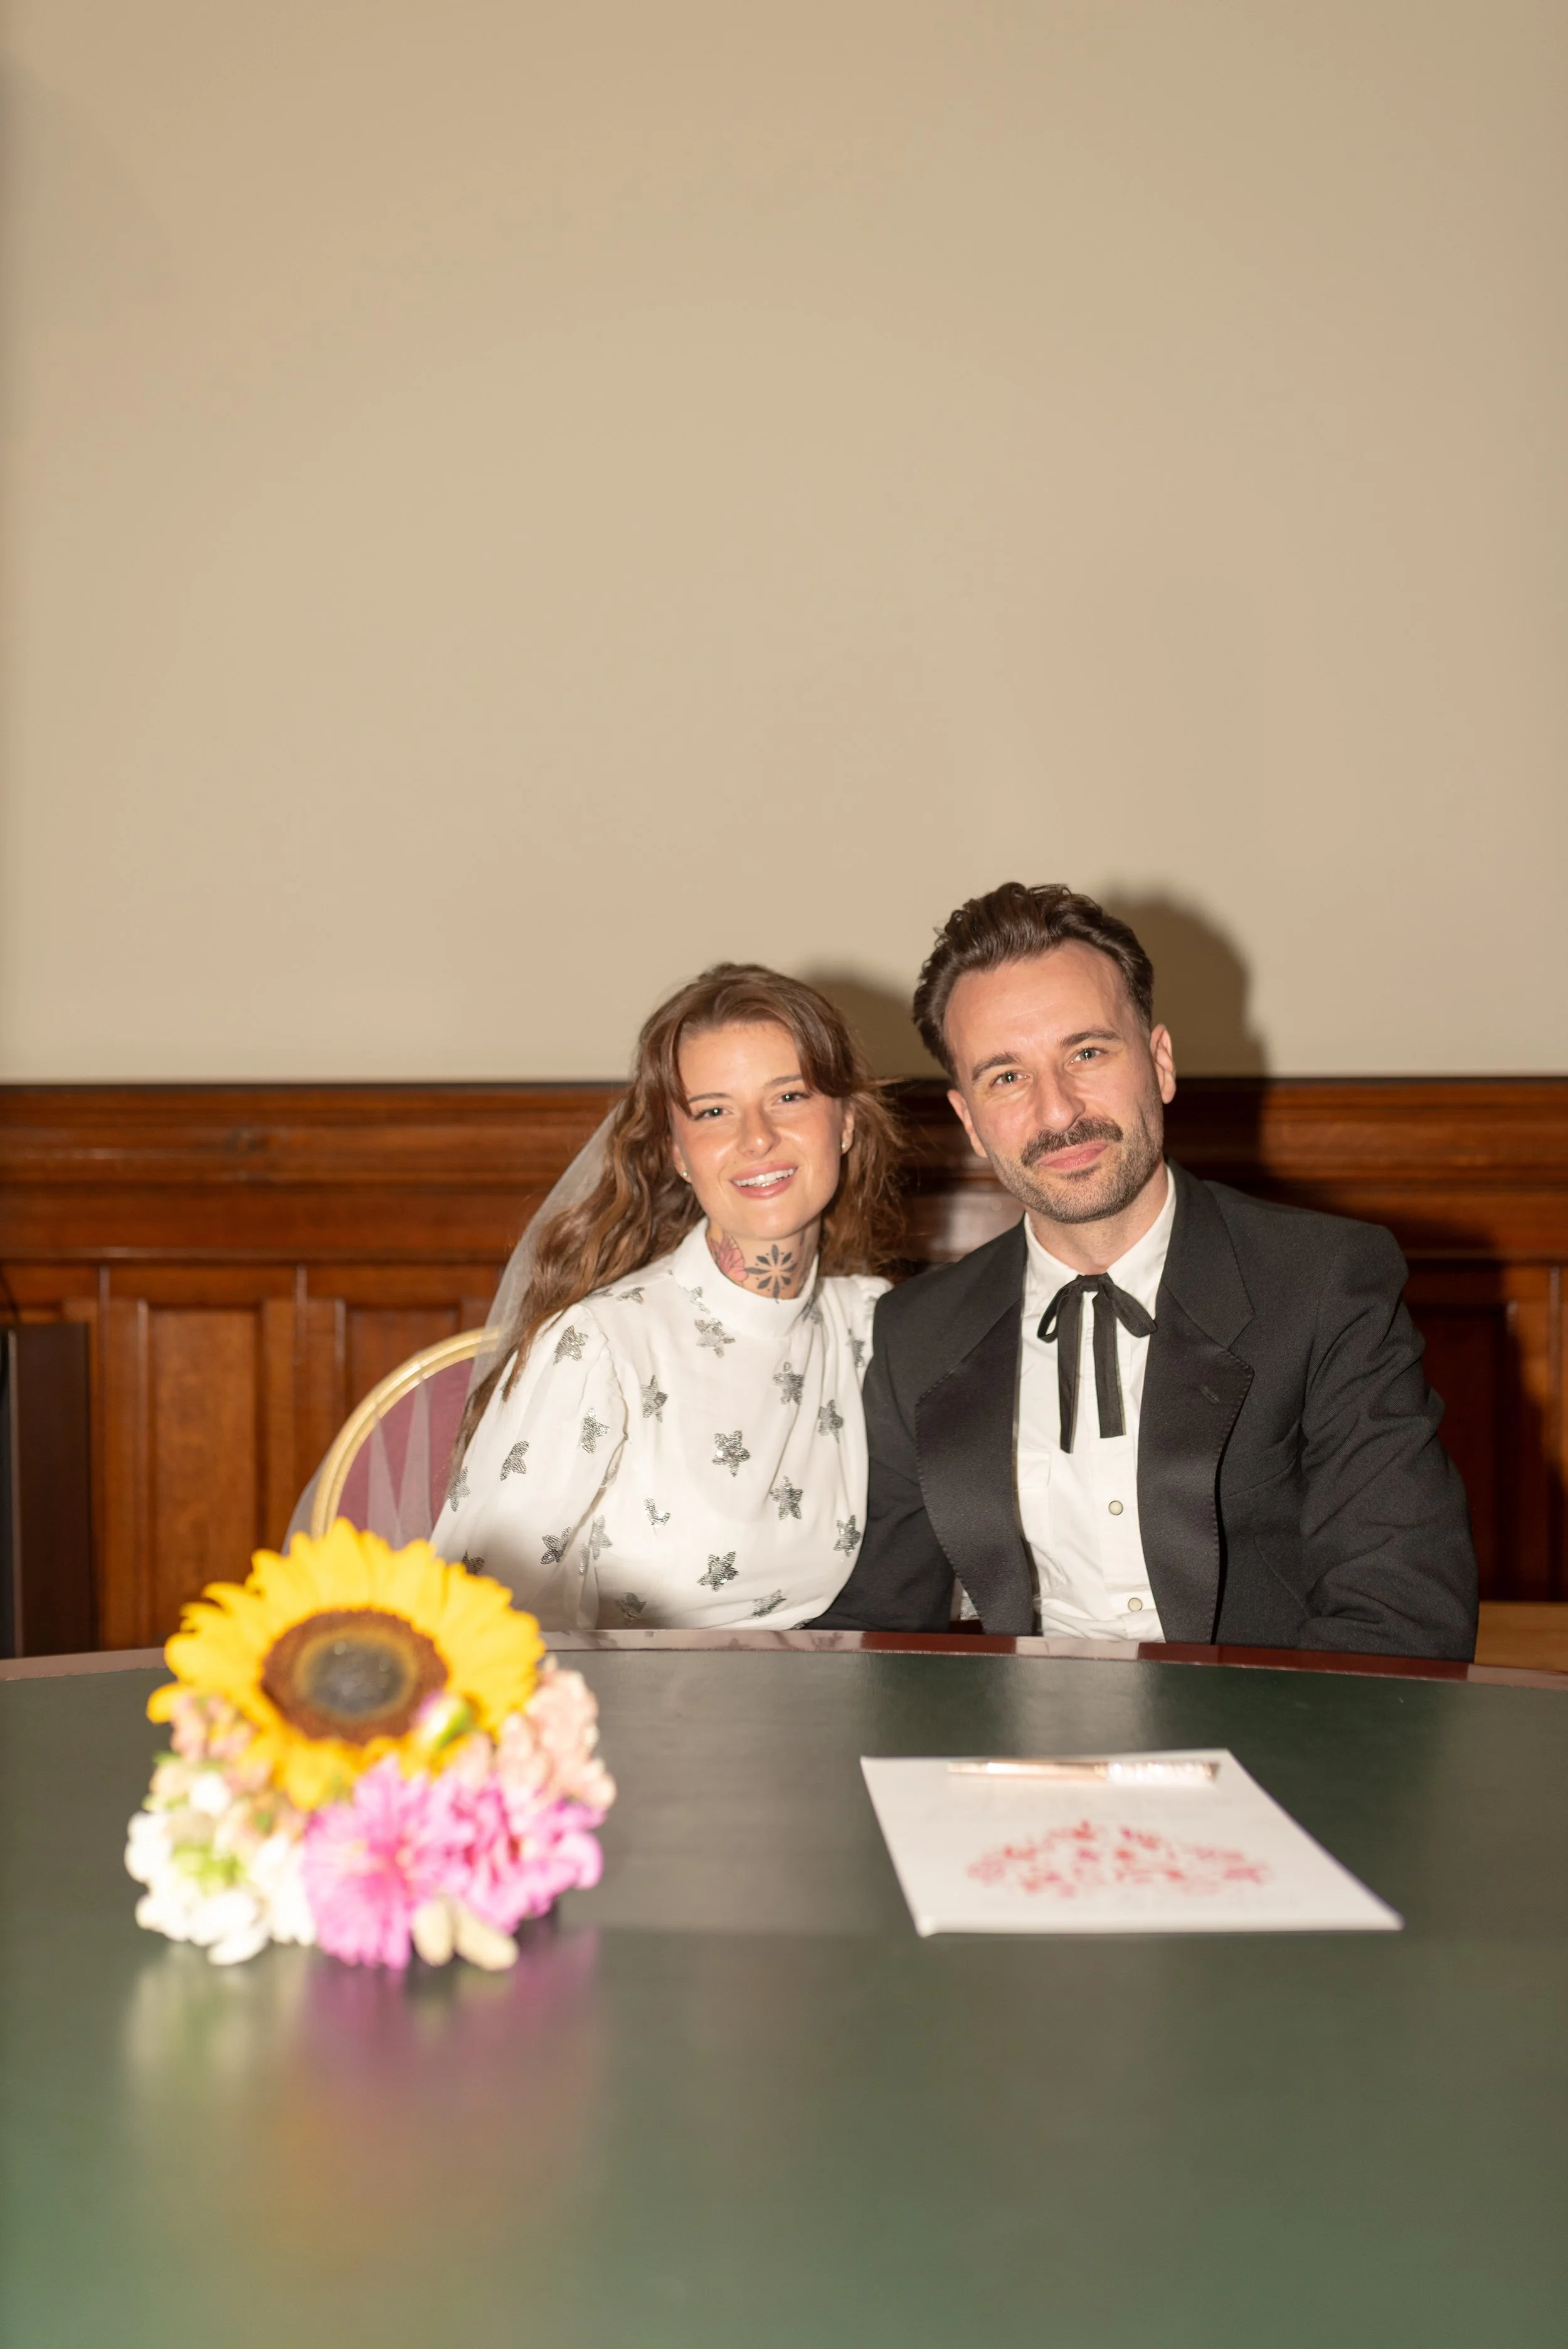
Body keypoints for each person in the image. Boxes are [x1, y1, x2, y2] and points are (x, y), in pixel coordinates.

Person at [814, 883, 1478, 1657]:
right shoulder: (914, 1332)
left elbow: (1400, 1614)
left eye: (1086, 1052)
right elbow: (885, 1626)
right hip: (1015, 1759)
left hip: (1273, 1749)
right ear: (969, 1122)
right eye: (1006, 1077)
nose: (1057, 1112)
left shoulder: (1325, 1283)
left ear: (1159, 1063)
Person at [437, 965, 898, 1629]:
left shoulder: (872, 1326)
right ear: (679, 1154)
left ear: (846, 1122)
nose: (756, 1137)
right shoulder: (600, 1346)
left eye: (788, 1097)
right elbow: (474, 1622)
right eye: (714, 1111)